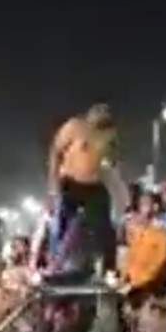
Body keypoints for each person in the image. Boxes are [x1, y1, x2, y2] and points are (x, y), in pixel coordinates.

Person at [48, 103, 119, 269]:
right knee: (63, 223)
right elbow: (55, 151)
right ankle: (55, 263)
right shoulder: (74, 126)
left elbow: (112, 161)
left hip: (94, 185)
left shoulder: (109, 134)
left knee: (105, 226)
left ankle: (108, 266)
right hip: (70, 182)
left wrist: (109, 157)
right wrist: (53, 184)